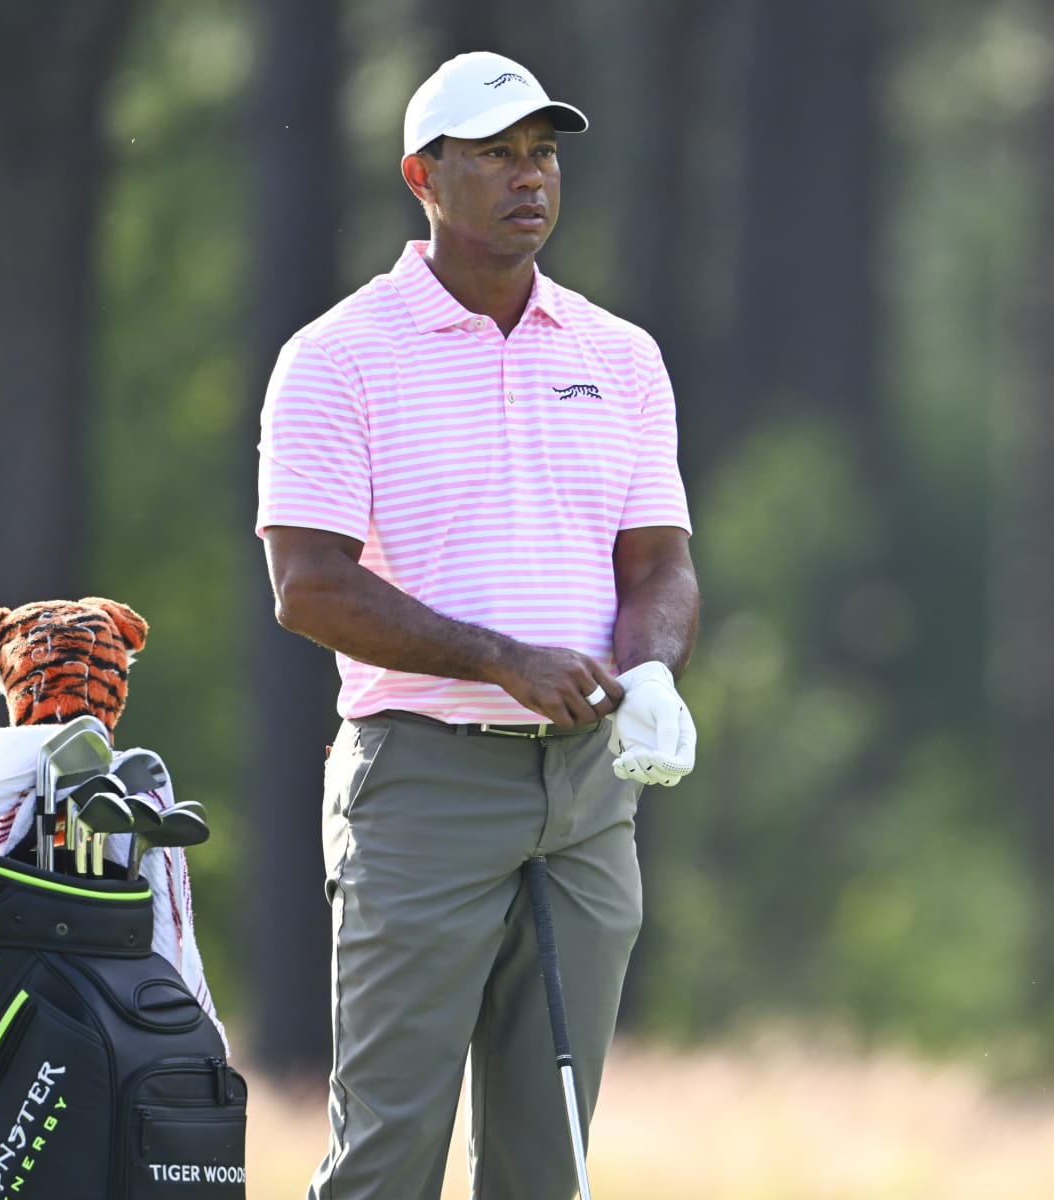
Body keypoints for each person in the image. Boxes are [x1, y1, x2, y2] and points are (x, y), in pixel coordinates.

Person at [255, 50, 700, 1199]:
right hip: (420, 786)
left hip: (589, 796)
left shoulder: (621, 357)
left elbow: (661, 569)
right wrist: (501, 661)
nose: (529, 176)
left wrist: (648, 676)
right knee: (389, 1152)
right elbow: (308, 585)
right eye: (495, 153)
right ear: (423, 176)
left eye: (543, 152)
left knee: (543, 1160)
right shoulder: (337, 358)